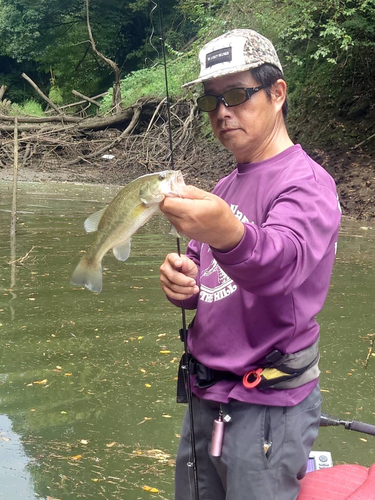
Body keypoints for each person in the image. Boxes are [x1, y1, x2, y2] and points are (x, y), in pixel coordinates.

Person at [159, 29, 341, 500]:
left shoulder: (307, 184)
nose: (223, 111)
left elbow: (282, 263)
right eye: (212, 100)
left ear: (277, 93)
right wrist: (185, 282)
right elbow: (206, 276)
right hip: (205, 397)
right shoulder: (222, 188)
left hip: (267, 405)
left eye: (238, 94)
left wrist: (228, 233)